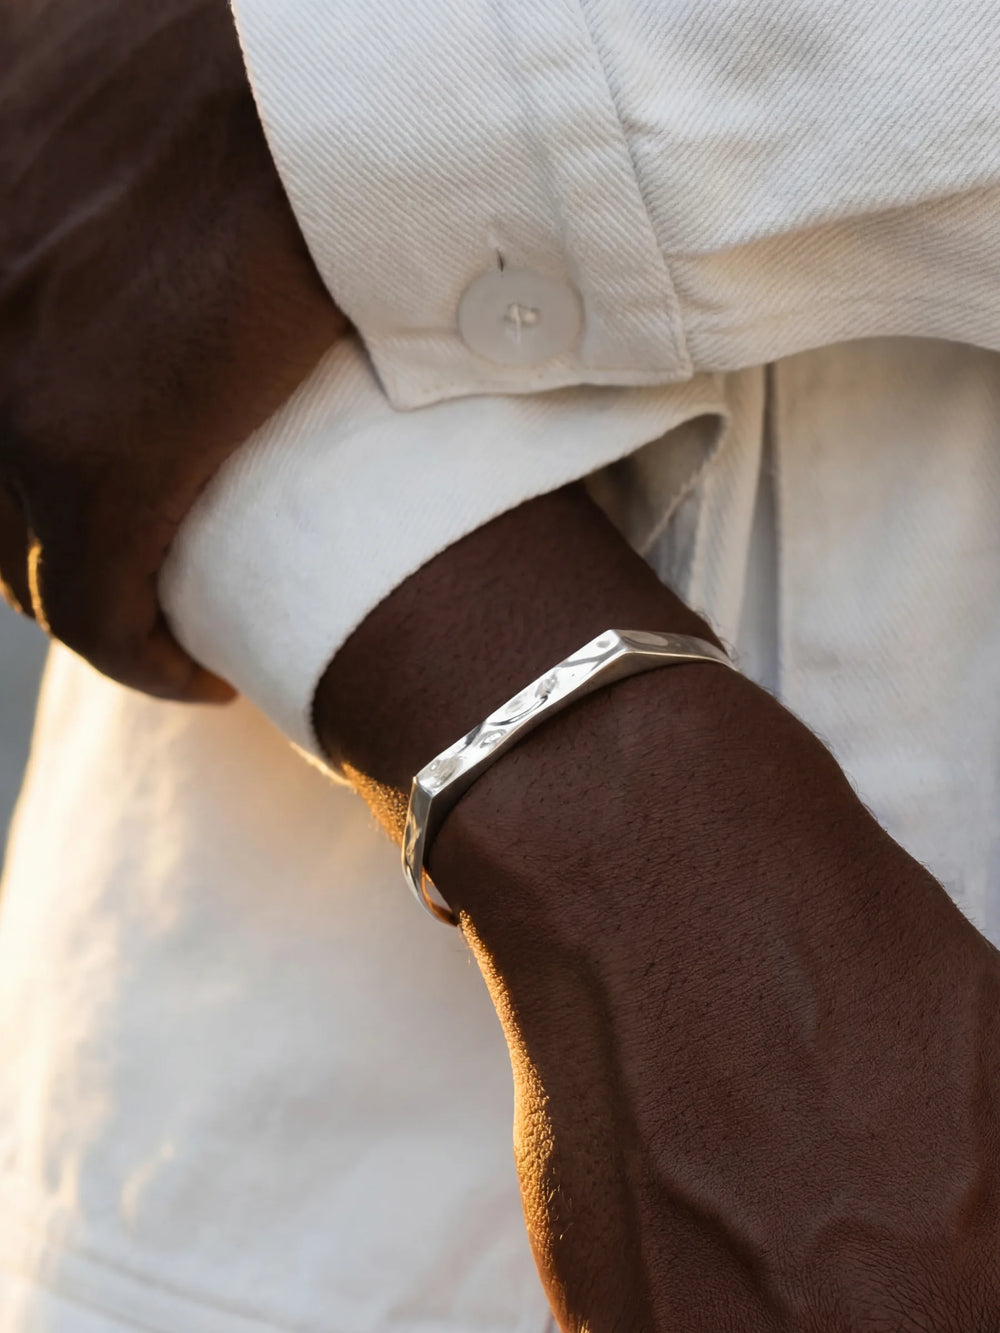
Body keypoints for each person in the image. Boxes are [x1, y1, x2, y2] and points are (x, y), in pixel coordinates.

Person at [1, 0, 1000, 1329]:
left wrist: (320, 90)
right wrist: (576, 766)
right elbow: (71, 170)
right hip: (264, 1140)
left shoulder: (260, 97)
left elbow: (144, 153)